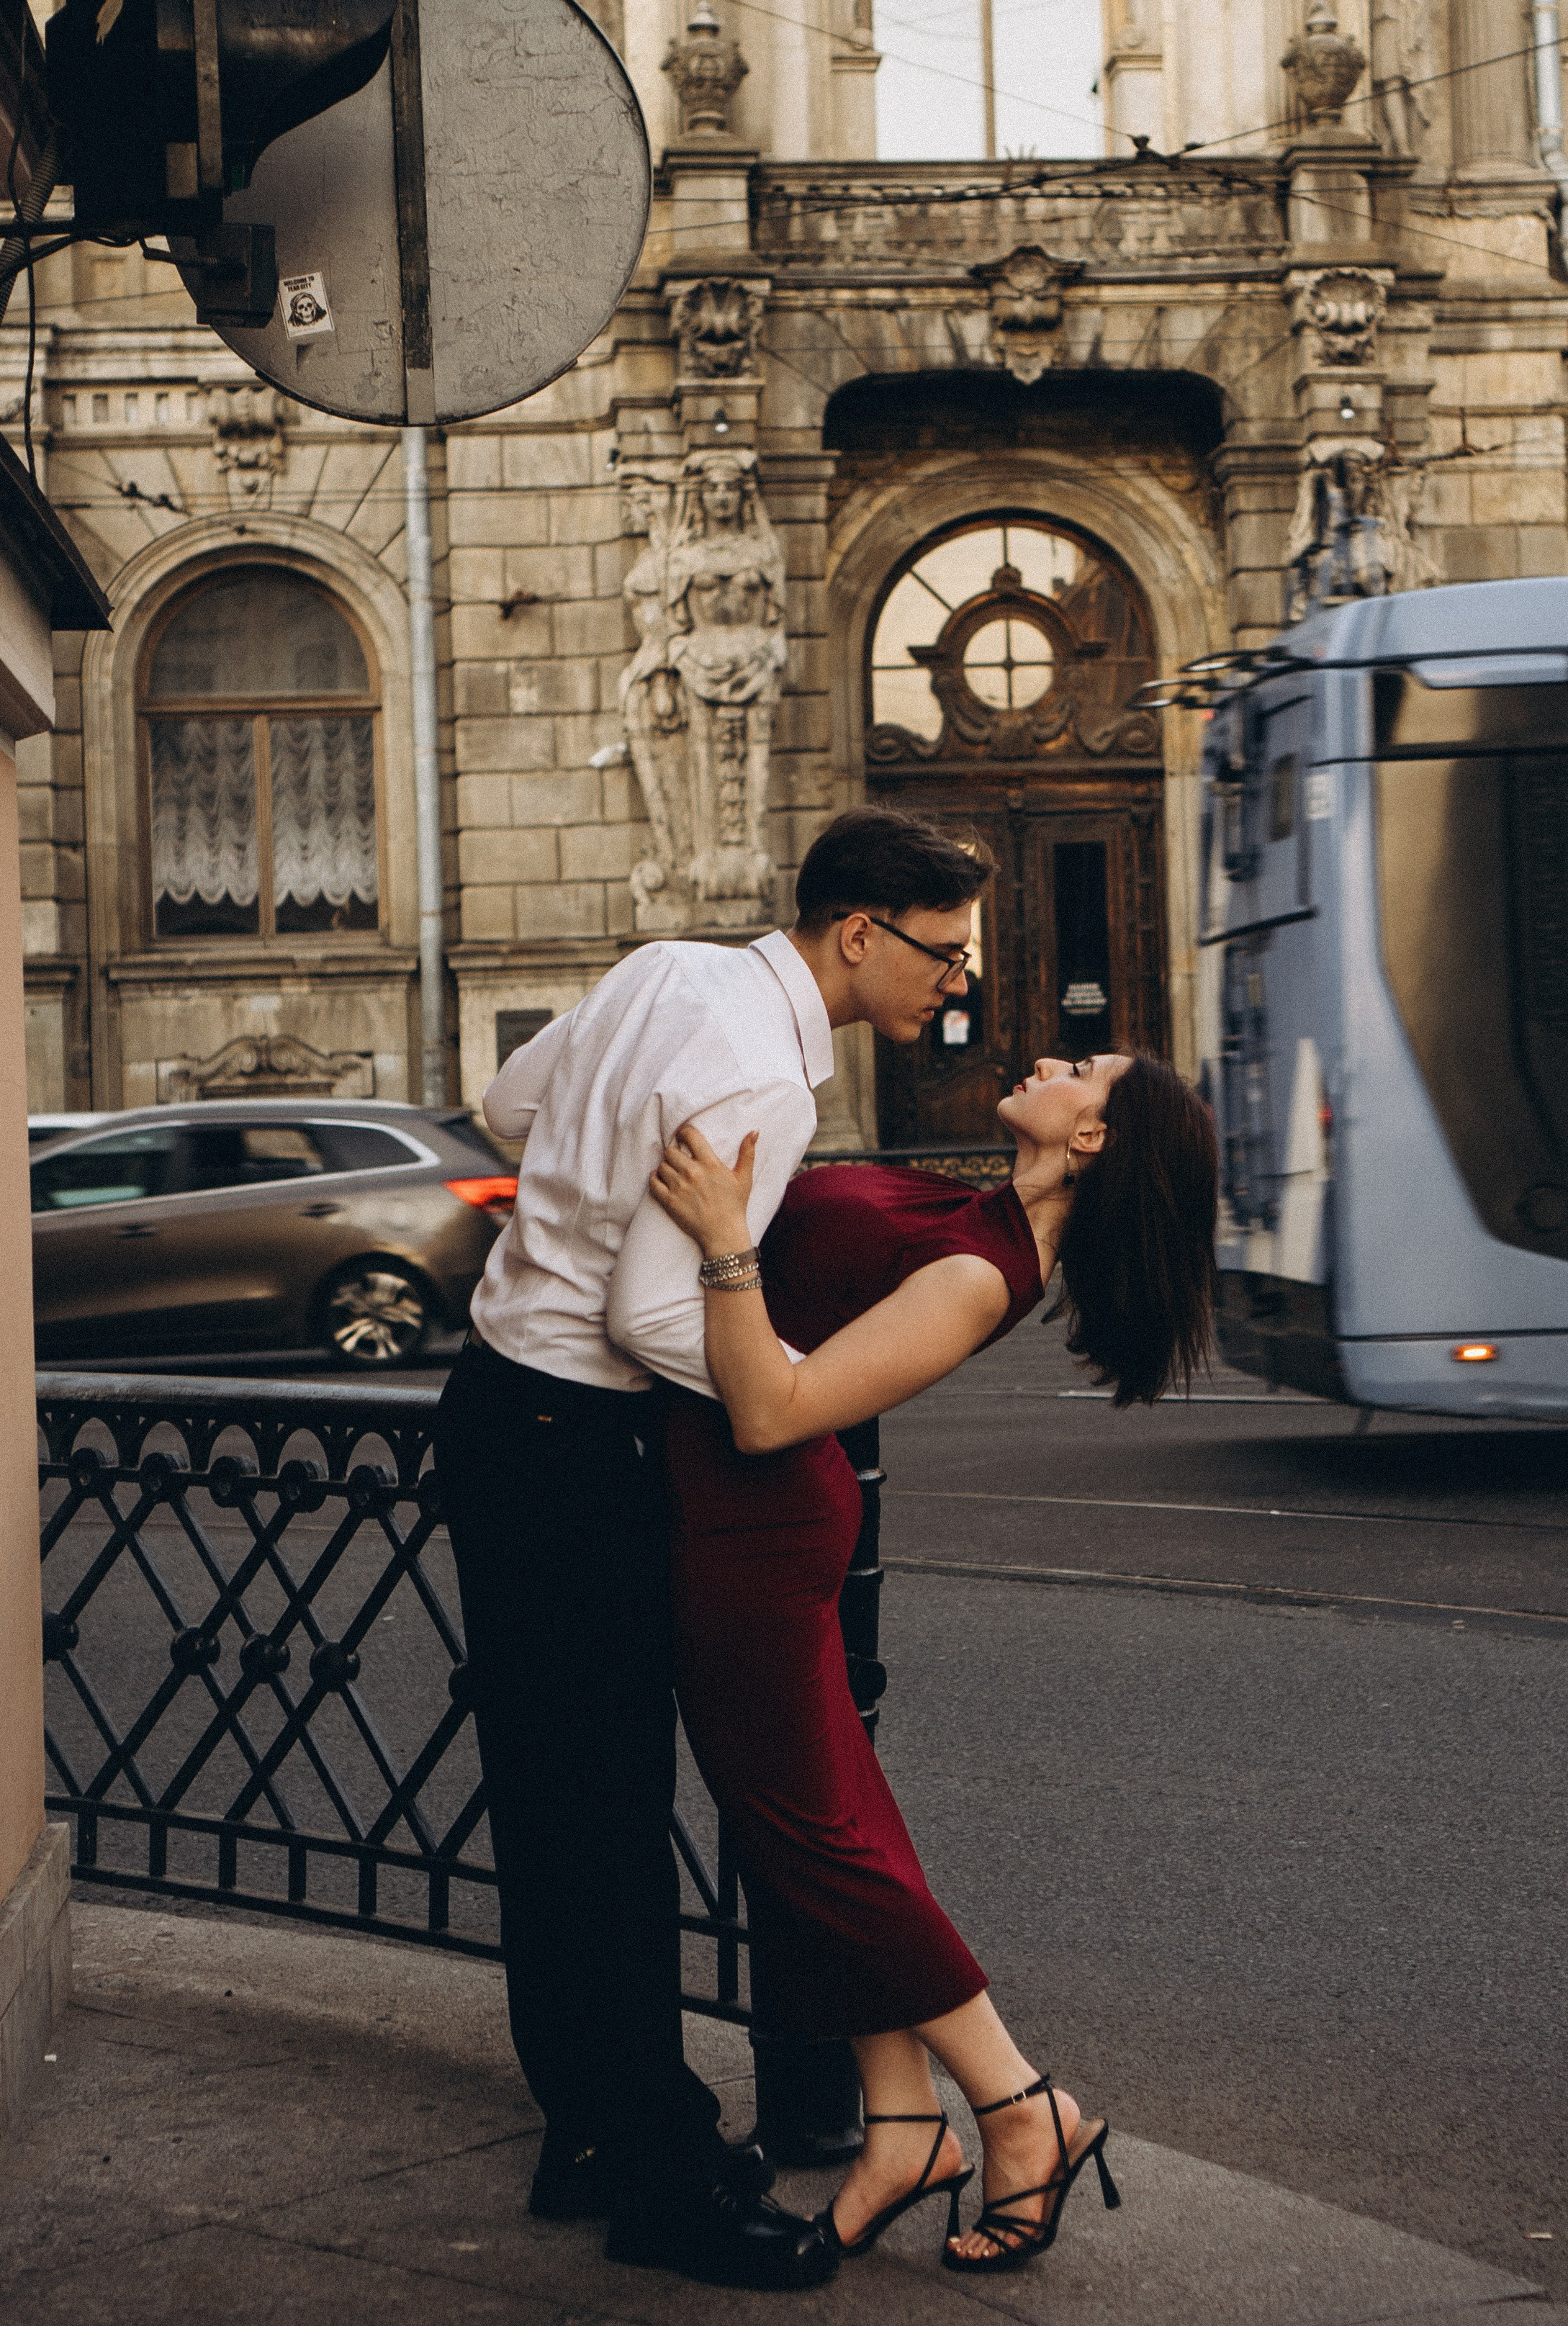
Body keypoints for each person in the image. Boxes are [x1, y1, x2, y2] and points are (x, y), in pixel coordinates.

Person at [436, 807, 991, 2292]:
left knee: (556, 1811)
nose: (956, 983)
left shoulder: (665, 970)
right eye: (939, 955)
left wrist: (583, 1209)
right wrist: (783, 1378)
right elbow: (653, 1320)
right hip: (572, 1435)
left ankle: (592, 2133)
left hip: (491, 1407)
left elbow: (504, 1103)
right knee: (612, 1821)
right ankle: (666, 2182)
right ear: (855, 933)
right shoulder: (762, 1070)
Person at [640, 1045, 1219, 2271]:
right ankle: (904, 2126)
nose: (1054, 1058)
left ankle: (1021, 2111)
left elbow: (775, 1411)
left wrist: (723, 1238)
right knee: (826, 1830)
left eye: (1088, 1070)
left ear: (1096, 1139)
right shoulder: (972, 1206)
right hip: (736, 1523)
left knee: (814, 1842)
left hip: (758, 1530)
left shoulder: (981, 1269)